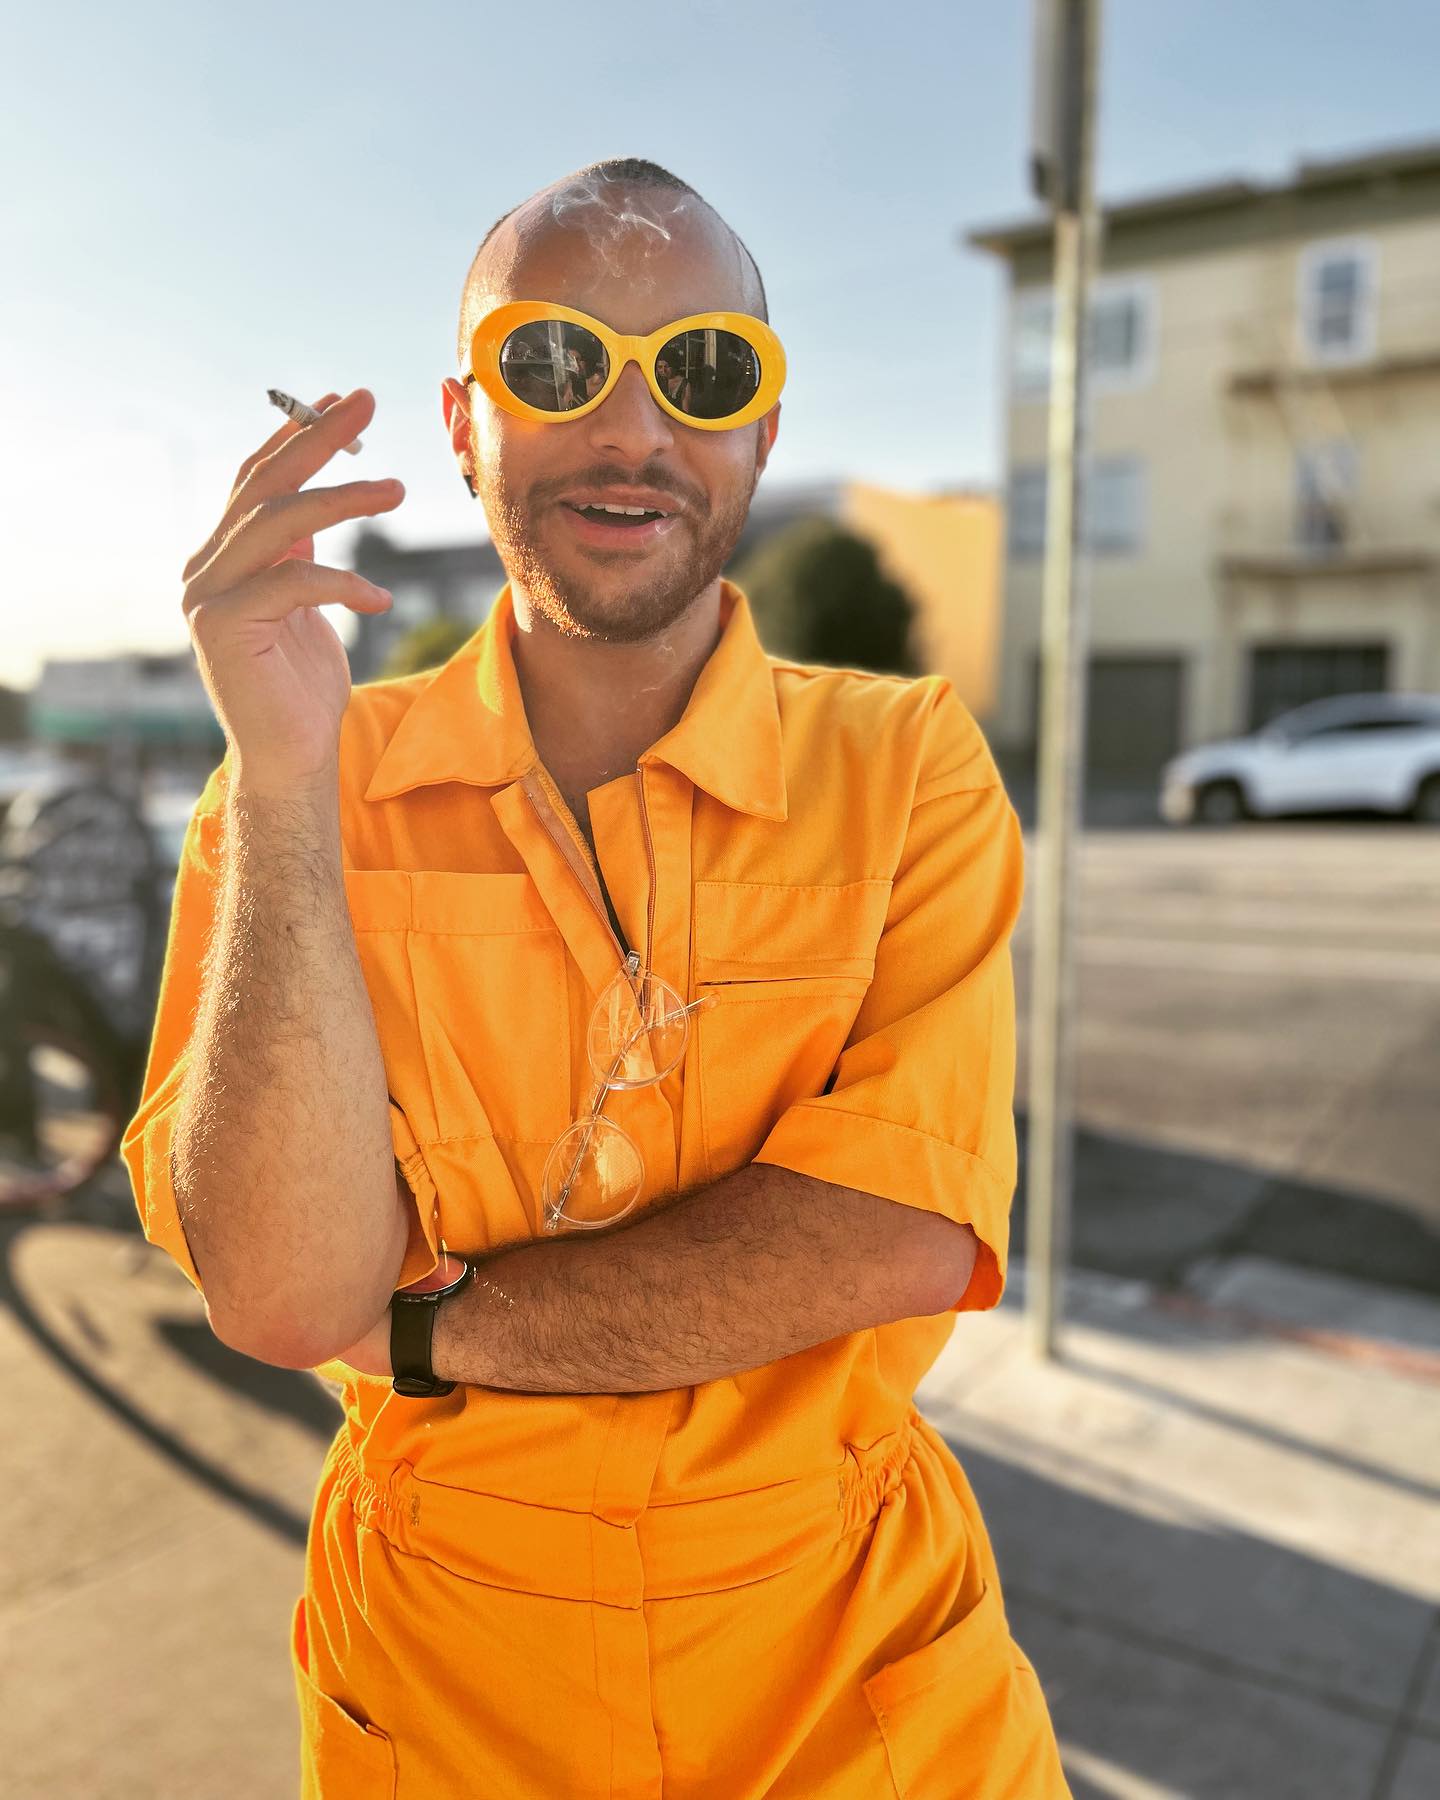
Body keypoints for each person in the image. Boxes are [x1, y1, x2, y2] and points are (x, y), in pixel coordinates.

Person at [122, 156, 1072, 1798]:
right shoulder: (299, 797)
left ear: (760, 434)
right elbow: (280, 1297)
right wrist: (283, 778)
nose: (632, 428)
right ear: (462, 418)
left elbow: (896, 1236)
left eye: (703, 369)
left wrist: (416, 1329)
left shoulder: (906, 762)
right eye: (554, 362)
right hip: (449, 1692)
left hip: (852, 1681)